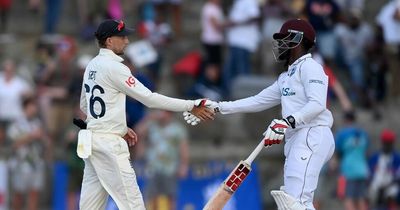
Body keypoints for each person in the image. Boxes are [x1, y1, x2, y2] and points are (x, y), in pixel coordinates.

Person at [184, 19, 335, 210]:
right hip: (296, 138)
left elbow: (318, 104)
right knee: (290, 203)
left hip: (312, 134)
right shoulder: (285, 77)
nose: (280, 44)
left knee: (296, 203)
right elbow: (256, 101)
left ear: (297, 40)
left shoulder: (310, 67)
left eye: (284, 39)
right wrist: (218, 106)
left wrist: (286, 122)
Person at [78, 19, 214, 210]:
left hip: (92, 140)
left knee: (89, 206)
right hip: (109, 144)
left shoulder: (91, 66)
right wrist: (190, 105)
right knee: (134, 205)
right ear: (109, 41)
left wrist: (120, 127)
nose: (126, 41)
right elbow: (149, 99)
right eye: (122, 37)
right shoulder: (116, 67)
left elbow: (85, 105)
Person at [135, 110, 189, 210]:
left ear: (169, 113)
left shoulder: (178, 129)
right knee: (151, 195)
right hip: (152, 167)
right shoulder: (152, 125)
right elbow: (138, 131)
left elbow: (183, 148)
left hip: (170, 168)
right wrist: (148, 118)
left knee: (170, 196)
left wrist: (183, 165)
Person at [335, 111, 369, 210]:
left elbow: (337, 152)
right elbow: (366, 151)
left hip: (348, 171)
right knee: (361, 199)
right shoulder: (363, 133)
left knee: (348, 198)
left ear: (345, 120)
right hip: (362, 170)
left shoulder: (342, 133)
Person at [368, 129, 400, 210]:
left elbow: (398, 177)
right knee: (372, 192)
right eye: (385, 143)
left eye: (389, 143)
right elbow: (369, 174)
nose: (387, 146)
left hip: (391, 186)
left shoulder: (397, 158)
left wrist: (388, 185)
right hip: (376, 187)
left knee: (392, 192)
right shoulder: (375, 157)